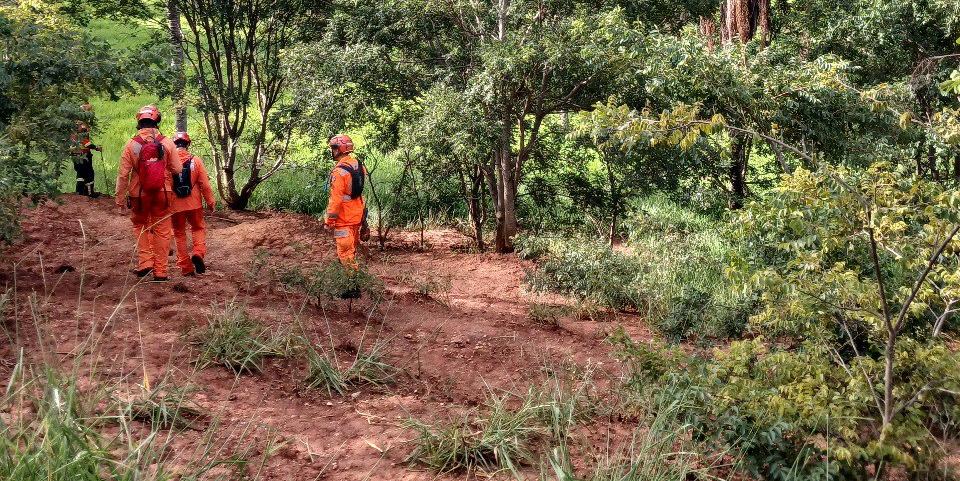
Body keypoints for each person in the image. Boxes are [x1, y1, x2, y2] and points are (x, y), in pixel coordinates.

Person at [115, 105, 183, 282]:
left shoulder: (131, 144)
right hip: (163, 192)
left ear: (139, 122)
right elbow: (177, 168)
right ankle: (160, 272)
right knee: (162, 230)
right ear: (156, 121)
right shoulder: (167, 142)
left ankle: (145, 262)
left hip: (139, 194)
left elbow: (123, 174)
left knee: (140, 225)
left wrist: (119, 198)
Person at [170, 131, 216, 276]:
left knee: (179, 233)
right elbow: (205, 184)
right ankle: (198, 253)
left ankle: (185, 267)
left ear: (174, 145)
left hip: (174, 205)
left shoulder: (168, 162)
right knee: (197, 228)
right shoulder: (195, 160)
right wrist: (210, 201)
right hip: (194, 203)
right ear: (188, 144)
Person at [324, 134, 367, 274]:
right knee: (351, 251)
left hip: (344, 220)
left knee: (345, 254)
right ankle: (348, 282)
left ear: (339, 149)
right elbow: (357, 193)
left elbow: (335, 200)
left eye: (333, 148)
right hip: (356, 217)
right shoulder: (358, 165)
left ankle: (352, 286)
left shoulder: (339, 172)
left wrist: (329, 221)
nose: (332, 151)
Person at [71, 104, 102, 197]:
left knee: (80, 173)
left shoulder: (73, 125)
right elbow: (85, 142)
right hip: (83, 154)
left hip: (74, 154)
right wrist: (96, 147)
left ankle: (79, 192)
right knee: (89, 173)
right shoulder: (82, 126)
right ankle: (89, 193)